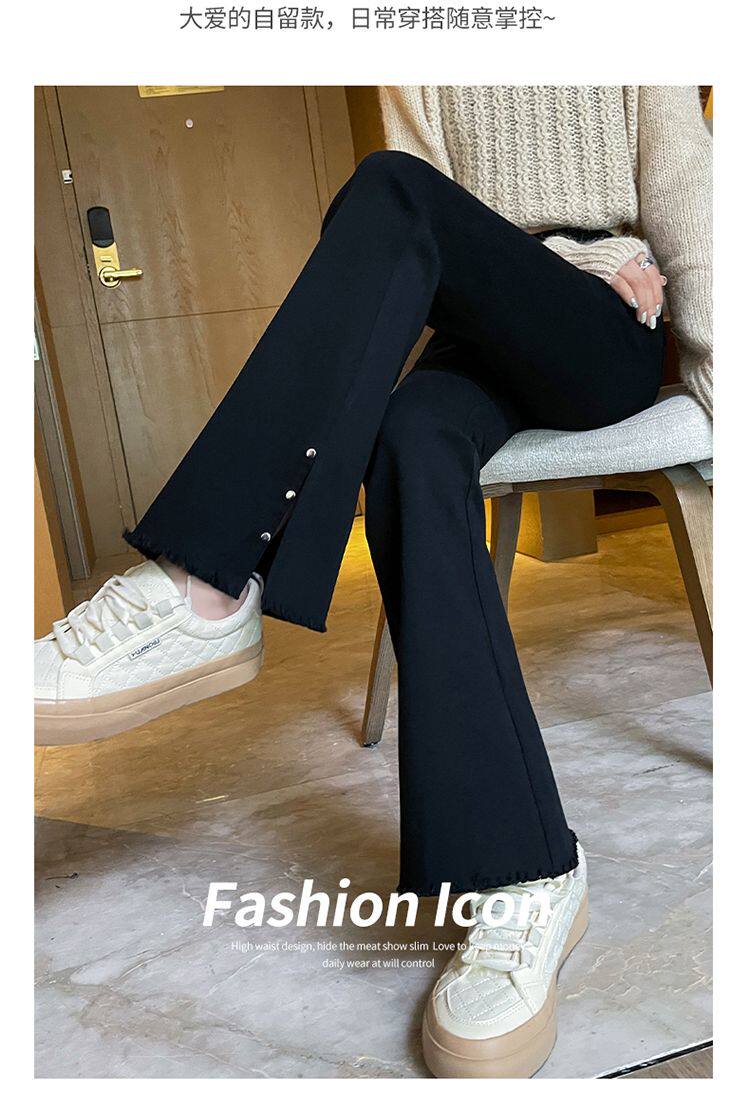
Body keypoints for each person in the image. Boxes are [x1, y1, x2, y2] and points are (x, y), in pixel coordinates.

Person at [34, 86, 712, 1078]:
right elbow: (442, 233)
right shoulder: (425, 57)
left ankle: (205, 582)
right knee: (407, 435)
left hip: (605, 324)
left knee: (390, 187)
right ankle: (525, 871)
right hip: (480, 323)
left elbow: (691, 195)